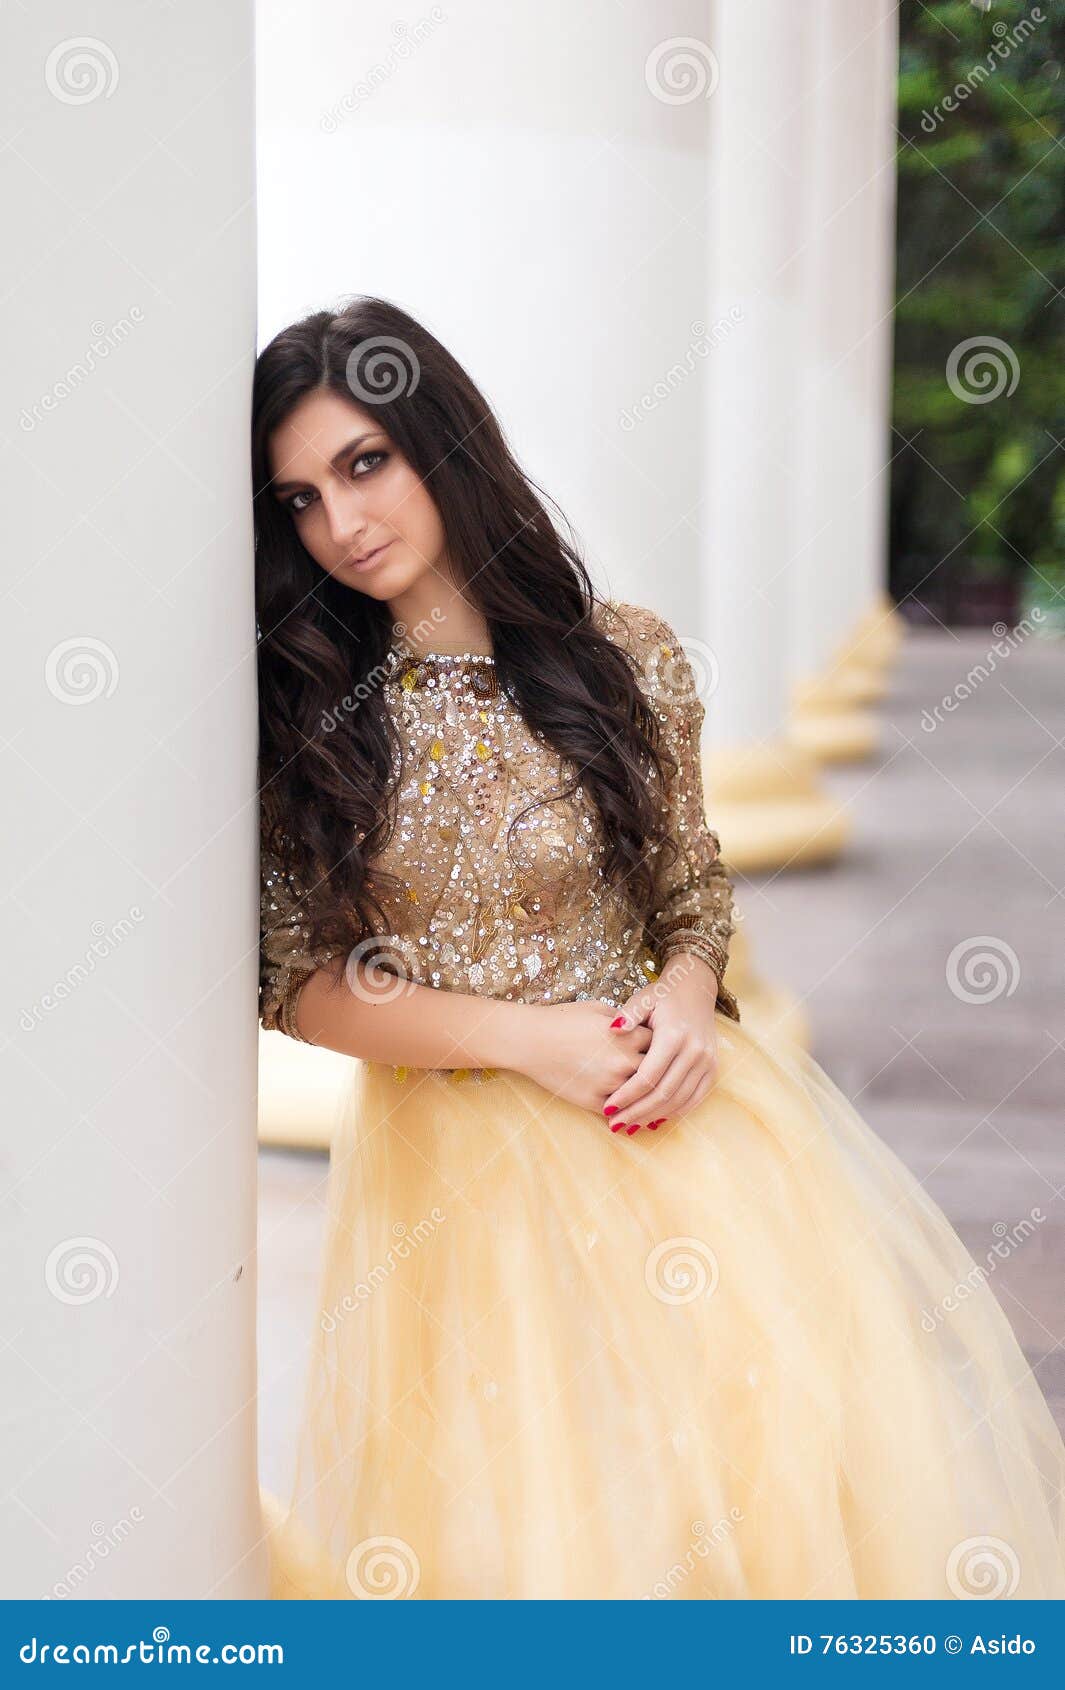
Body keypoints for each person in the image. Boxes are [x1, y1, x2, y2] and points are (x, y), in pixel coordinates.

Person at [254, 296, 1065, 1600]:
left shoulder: (622, 657)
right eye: (298, 498)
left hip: (678, 1124)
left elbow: (687, 885)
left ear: (442, 443)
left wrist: (691, 996)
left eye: (365, 463)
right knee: (534, 1541)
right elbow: (291, 984)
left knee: (746, 1506)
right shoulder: (305, 706)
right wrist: (534, 1045)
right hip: (460, 1179)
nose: (341, 524)